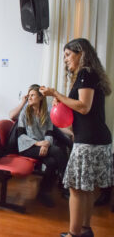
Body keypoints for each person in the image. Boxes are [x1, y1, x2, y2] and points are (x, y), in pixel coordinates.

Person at [40, 38, 113, 237]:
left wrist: (55, 92)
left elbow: (83, 106)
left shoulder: (85, 72)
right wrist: (62, 101)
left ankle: (73, 234)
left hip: (89, 141)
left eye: (67, 55)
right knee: (86, 189)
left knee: (75, 188)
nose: (65, 60)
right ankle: (85, 230)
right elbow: (82, 110)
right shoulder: (92, 73)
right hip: (98, 138)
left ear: (80, 53)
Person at [17, 85, 66, 207]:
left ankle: (43, 193)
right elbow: (21, 135)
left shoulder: (47, 113)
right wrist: (39, 144)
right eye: (29, 95)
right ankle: (67, 184)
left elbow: (49, 133)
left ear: (40, 98)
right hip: (27, 147)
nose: (29, 97)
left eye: (32, 95)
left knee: (52, 163)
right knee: (57, 151)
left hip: (42, 146)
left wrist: (46, 144)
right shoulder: (24, 113)